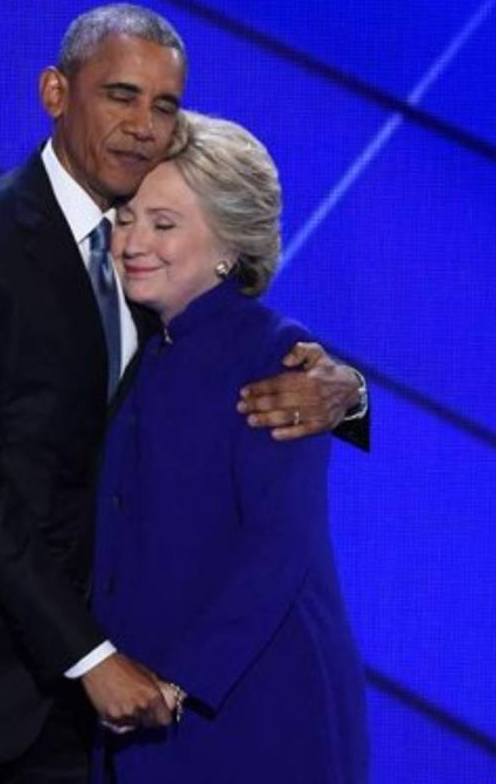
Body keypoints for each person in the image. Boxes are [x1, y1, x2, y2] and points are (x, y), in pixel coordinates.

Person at [0, 3, 368, 783]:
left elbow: (239, 390)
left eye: (165, 105)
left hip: (104, 704)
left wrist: (349, 392)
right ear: (56, 92)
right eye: (121, 95)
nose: (144, 124)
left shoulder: (167, 292)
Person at [91, 111, 367, 782]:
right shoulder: (139, 343)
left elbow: (280, 547)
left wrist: (177, 684)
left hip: (250, 716)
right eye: (127, 216)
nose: (133, 240)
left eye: (165, 223)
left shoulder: (276, 355)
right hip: (138, 714)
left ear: (227, 247)